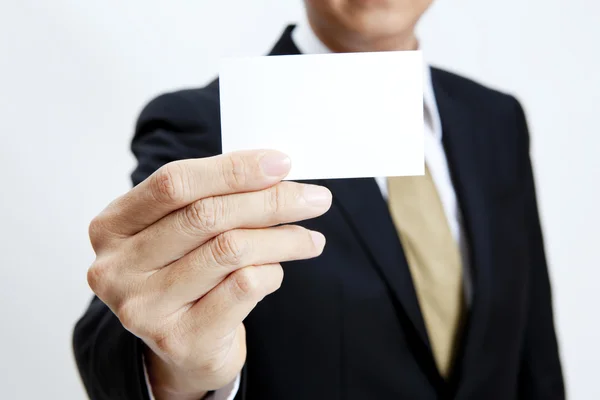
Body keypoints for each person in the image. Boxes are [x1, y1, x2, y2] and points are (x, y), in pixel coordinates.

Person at [73, 1, 565, 399]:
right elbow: (118, 344)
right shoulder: (206, 127)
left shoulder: (496, 119)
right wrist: (179, 371)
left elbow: (532, 344)